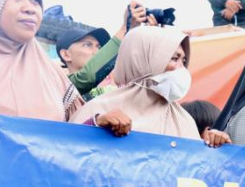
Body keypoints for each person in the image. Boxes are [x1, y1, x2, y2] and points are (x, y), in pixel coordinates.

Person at [70, 27, 229, 147]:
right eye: (174, 58)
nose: (181, 68)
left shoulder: (184, 121)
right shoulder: (99, 111)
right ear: (143, 60)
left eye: (183, 60)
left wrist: (214, 147)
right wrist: (95, 126)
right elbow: (67, 155)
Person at [0, 0, 83, 121]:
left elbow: (74, 130)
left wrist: (98, 122)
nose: (30, 8)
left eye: (35, 0)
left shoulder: (51, 73)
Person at [57, 2, 153, 99]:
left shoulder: (116, 83)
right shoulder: (59, 86)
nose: (97, 51)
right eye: (87, 45)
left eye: (99, 47)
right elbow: (88, 76)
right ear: (66, 55)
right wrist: (126, 27)